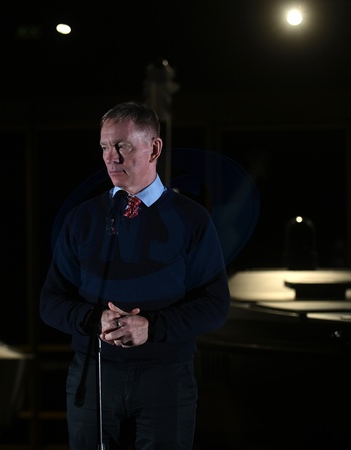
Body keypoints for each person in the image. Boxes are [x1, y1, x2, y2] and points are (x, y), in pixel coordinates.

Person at [40, 101, 230, 450]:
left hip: (166, 377)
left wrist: (151, 327)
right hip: (94, 375)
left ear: (153, 148)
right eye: (104, 147)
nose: (110, 158)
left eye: (122, 146)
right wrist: (94, 320)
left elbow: (216, 305)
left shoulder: (191, 219)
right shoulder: (83, 218)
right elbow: (50, 302)